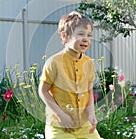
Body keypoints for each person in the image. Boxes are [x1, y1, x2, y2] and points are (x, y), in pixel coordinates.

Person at [39, 11, 101, 139]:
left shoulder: (89, 63)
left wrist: (91, 113)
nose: (85, 39)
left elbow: (89, 91)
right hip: (59, 127)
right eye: (80, 34)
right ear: (65, 36)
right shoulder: (54, 62)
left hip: (84, 126)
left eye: (89, 35)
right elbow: (43, 91)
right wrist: (61, 115)